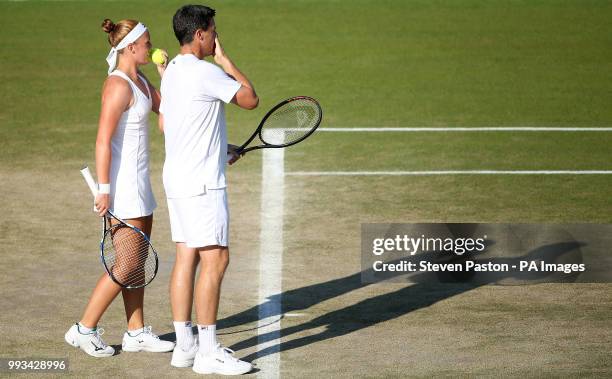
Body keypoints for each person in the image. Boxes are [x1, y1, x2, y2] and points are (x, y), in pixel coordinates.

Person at [64, 18, 175, 357]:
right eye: (147, 42)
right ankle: (84, 328)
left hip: (141, 183)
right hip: (122, 188)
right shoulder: (118, 86)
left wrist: (165, 75)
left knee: (137, 261)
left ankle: (136, 331)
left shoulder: (139, 79)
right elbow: (102, 140)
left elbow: (167, 116)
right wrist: (104, 189)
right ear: (131, 47)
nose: (151, 47)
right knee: (126, 264)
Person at [159, 5, 258, 375]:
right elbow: (250, 98)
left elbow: (175, 124)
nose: (216, 37)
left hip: (179, 179)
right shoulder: (207, 72)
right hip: (202, 184)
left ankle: (185, 346)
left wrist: (221, 148)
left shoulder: (170, 73)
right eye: (213, 31)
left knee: (187, 256)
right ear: (200, 34)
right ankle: (208, 351)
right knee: (216, 260)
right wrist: (226, 60)